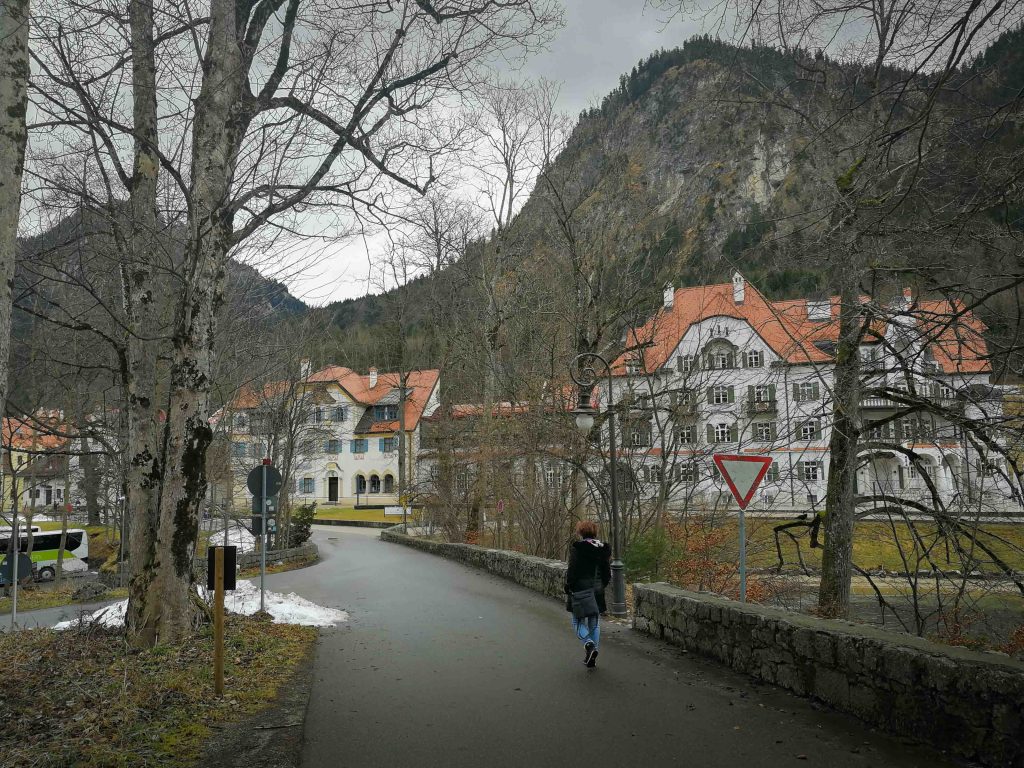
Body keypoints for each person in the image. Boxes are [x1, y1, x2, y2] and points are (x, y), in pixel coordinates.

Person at [564, 520, 611, 668]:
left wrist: (569, 586)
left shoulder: (578, 548)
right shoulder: (603, 548)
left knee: (577, 621)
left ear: (581, 532)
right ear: (595, 532)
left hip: (580, 589)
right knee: (594, 623)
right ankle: (592, 657)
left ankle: (589, 645)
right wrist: (601, 585)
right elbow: (607, 573)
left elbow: (572, 570)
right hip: (597, 590)